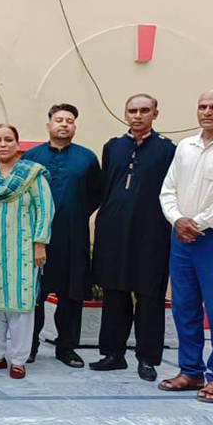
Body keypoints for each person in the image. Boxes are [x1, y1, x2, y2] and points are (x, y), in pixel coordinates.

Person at [90, 94, 176, 382]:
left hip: (152, 230)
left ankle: (147, 358)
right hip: (113, 228)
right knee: (114, 291)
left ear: (155, 113)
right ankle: (113, 354)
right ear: (125, 114)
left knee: (149, 293)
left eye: (144, 111)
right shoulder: (112, 147)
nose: (137, 116)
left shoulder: (167, 150)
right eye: (132, 111)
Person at [23, 104, 101, 368]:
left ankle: (67, 348)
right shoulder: (31, 158)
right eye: (59, 120)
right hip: (37, 240)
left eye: (69, 121)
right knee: (34, 295)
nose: (64, 124)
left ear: (75, 126)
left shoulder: (87, 158)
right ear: (49, 125)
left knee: (71, 294)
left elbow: (95, 194)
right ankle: (29, 346)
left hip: (73, 237)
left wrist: (74, 213)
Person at [0, 124, 54, 379]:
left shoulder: (32, 174)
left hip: (23, 250)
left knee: (21, 306)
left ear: (17, 144)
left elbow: (45, 208)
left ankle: (18, 360)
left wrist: (40, 243)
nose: (3, 144)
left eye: (8, 139)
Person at [157, 90, 213, 401]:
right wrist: (178, 220)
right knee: (184, 307)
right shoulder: (186, 147)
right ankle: (191, 371)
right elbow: (168, 189)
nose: (208, 112)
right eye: (203, 106)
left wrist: (199, 223)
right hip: (181, 238)